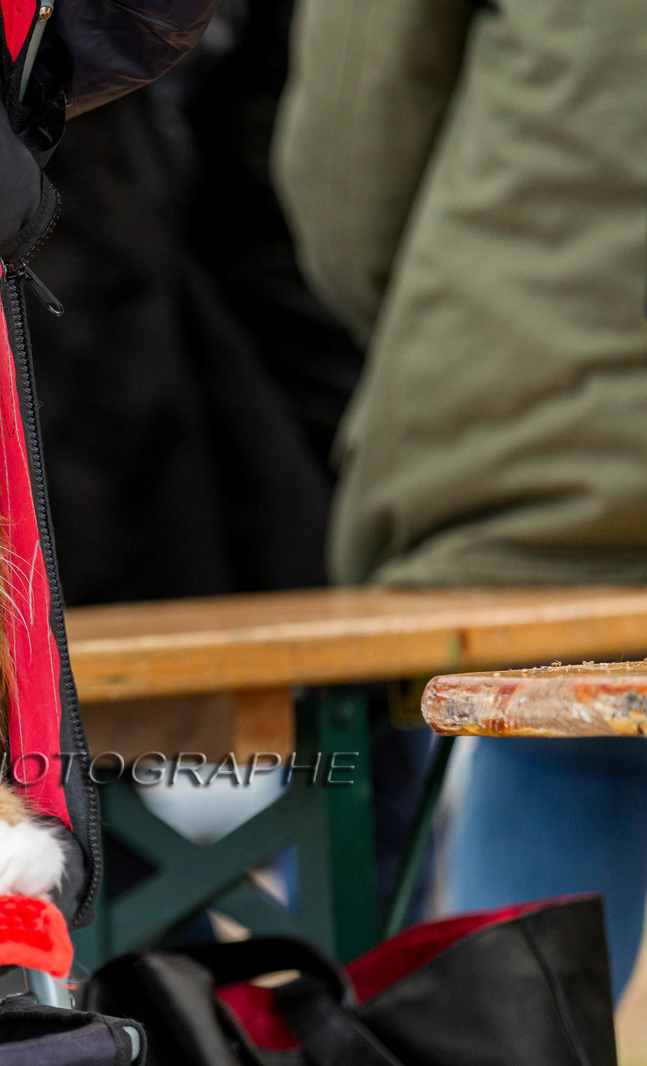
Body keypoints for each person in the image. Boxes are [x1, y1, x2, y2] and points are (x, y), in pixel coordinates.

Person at [275, 0, 647, 997]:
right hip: (545, 439)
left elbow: (350, 154)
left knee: (563, 728)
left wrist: (461, 322)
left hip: (534, 427)